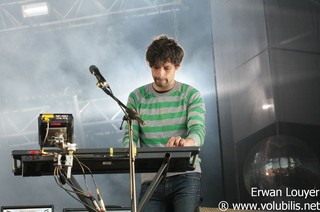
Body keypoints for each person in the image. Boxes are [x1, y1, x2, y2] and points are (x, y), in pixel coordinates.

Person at [123, 34, 206, 212]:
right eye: (155, 67)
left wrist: (185, 144)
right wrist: (128, 149)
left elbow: (198, 131)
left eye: (166, 68)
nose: (160, 74)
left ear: (177, 66)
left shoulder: (191, 95)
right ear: (149, 66)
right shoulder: (136, 97)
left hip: (186, 176)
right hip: (150, 179)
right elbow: (130, 137)